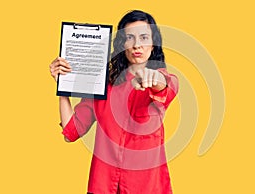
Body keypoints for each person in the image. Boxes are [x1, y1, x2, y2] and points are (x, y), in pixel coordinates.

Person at [49, 10, 178, 194]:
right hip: (103, 186)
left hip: (147, 188)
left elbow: (164, 86)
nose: (136, 45)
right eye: (129, 38)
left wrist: (153, 77)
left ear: (153, 44)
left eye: (143, 37)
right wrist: (63, 85)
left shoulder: (166, 80)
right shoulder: (102, 86)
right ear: (121, 44)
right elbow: (71, 133)